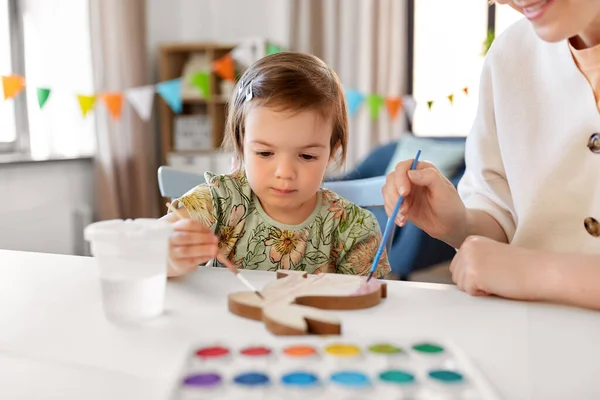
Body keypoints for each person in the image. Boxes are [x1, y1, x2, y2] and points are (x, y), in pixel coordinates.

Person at [383, 0, 600, 310]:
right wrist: (457, 224)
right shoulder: (510, 55)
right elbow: (504, 217)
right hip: (527, 341)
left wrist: (534, 273)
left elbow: (518, 268)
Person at [164, 52, 390, 279]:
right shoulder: (219, 201)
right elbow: (150, 245)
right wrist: (168, 256)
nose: (285, 173)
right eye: (265, 153)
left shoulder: (353, 229)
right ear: (242, 145)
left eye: (307, 156)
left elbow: (370, 302)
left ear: (332, 152)